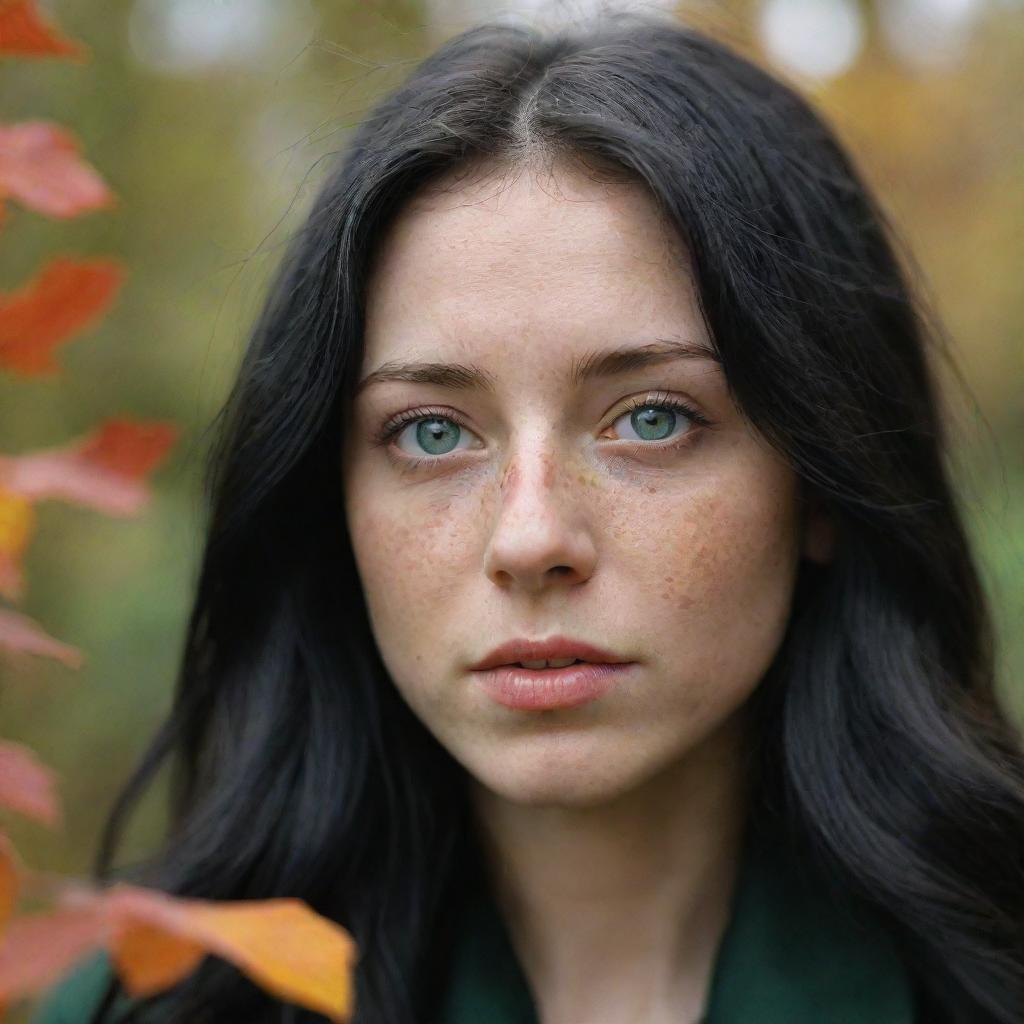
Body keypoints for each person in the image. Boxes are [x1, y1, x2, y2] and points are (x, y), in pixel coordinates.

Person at [30, 10, 1024, 1024]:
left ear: (819, 477)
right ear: (330, 499)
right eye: (430, 433)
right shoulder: (138, 1009)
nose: (531, 537)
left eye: (650, 418)